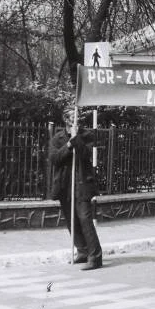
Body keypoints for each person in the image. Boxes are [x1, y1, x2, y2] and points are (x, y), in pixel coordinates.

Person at [49, 107, 103, 270]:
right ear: (66, 119)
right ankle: (82, 251)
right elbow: (55, 159)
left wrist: (76, 139)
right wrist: (68, 144)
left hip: (82, 185)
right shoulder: (57, 138)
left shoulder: (86, 136)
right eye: (73, 117)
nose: (76, 120)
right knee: (71, 220)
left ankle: (95, 257)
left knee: (85, 219)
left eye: (78, 117)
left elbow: (85, 154)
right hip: (65, 185)